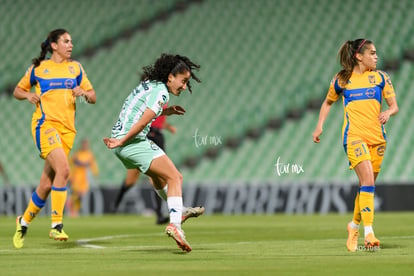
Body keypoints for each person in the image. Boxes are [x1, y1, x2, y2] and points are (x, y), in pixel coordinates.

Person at [104, 53, 203, 252]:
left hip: (125, 142)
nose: (184, 87)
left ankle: (179, 212)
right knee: (175, 177)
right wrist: (122, 140)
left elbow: (144, 110)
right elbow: (142, 121)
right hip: (131, 141)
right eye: (183, 81)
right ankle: (176, 224)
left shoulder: (150, 84)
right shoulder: (162, 93)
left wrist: (167, 111)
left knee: (158, 179)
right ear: (170, 77)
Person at [12, 29, 96, 249]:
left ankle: (24, 221)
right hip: (45, 126)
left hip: (68, 131)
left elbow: (93, 96)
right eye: (66, 41)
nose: (71, 45)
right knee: (65, 170)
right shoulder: (39, 69)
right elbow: (17, 90)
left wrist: (83, 93)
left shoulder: (75, 68)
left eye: (71, 41)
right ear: (54, 45)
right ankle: (56, 225)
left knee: (46, 183)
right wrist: (28, 94)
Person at [312, 39, 398, 252]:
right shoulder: (342, 80)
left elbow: (394, 106)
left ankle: (353, 226)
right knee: (367, 181)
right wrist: (319, 126)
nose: (376, 56)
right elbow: (327, 102)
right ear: (359, 56)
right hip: (354, 137)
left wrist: (388, 112)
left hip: (378, 139)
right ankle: (369, 233)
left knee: (366, 186)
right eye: (373, 53)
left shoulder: (381, 78)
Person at [114, 106, 176, 225]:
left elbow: (159, 118)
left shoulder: (164, 97)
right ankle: (115, 205)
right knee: (130, 180)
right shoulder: (154, 95)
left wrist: (168, 127)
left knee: (158, 176)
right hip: (146, 134)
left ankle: (159, 214)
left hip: (158, 136)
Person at [68, 138, 99, 217]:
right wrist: (70, 176)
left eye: (86, 144)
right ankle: (74, 211)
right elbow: (70, 164)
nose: (85, 146)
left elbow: (93, 166)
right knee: (76, 195)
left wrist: (95, 175)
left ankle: (80, 212)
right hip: (76, 178)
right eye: (84, 144)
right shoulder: (77, 154)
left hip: (85, 179)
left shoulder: (89, 154)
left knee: (82, 196)